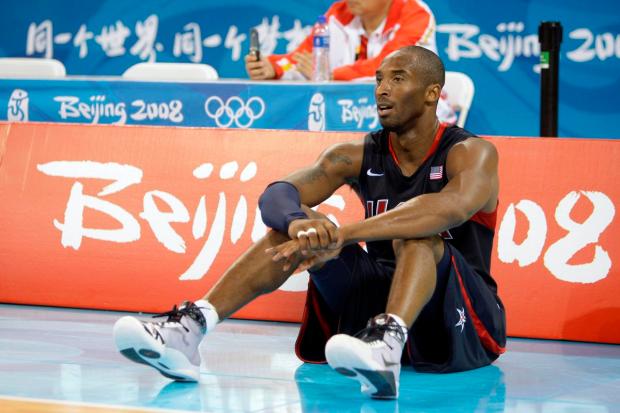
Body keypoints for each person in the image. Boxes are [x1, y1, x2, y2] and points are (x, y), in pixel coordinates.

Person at [113, 45, 506, 399]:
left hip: (464, 317)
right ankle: (192, 328)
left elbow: (445, 210)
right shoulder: (357, 154)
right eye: (379, 79)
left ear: (432, 93)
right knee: (300, 228)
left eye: (397, 79)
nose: (382, 90)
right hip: (378, 301)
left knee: (417, 236)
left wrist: (344, 234)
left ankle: (388, 344)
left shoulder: (472, 153)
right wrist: (298, 224)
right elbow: (277, 195)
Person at [244, 0, 457, 124]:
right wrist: (273, 67)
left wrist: (330, 75)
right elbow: (301, 58)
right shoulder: (339, 13)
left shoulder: (415, 13)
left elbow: (389, 68)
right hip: (355, 117)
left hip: (418, 120)